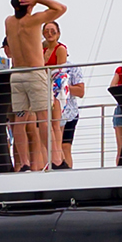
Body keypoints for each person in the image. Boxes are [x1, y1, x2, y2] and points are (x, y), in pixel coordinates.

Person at [4, 0, 68, 172]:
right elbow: (61, 8)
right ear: (28, 5)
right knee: (43, 118)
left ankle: (23, 163)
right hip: (34, 74)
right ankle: (56, 160)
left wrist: (28, 3)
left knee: (20, 119)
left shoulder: (9, 22)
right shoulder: (33, 21)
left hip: (17, 75)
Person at [41, 19, 82, 168]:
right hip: (46, 90)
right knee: (49, 129)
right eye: (46, 31)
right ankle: (54, 162)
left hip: (57, 92)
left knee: (58, 130)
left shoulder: (60, 50)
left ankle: (60, 163)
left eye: (53, 31)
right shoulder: (43, 50)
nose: (49, 34)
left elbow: (59, 72)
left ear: (58, 33)